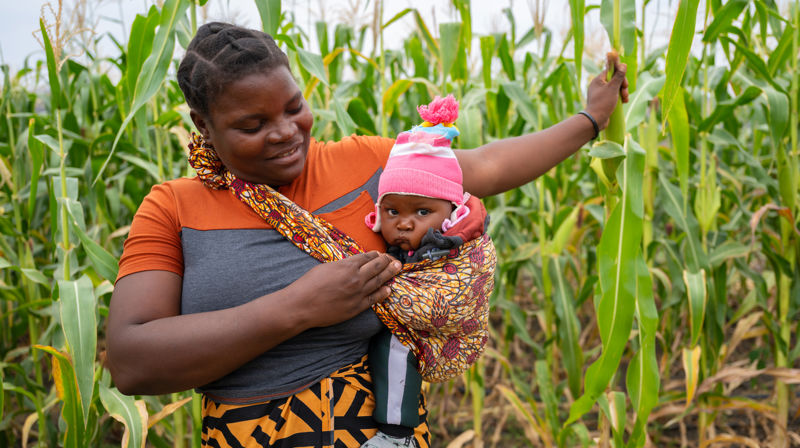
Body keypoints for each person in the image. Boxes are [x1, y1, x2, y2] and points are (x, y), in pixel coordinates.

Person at [105, 21, 628, 448]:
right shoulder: (172, 207)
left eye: (293, 107)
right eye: (252, 124)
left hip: (383, 431)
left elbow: (487, 166)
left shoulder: (369, 165)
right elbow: (131, 361)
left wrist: (590, 117)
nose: (286, 131)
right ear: (203, 125)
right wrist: (299, 307)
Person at [362, 94, 496, 448]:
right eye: (392, 212)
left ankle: (396, 434)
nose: (404, 224)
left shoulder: (451, 245)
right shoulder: (409, 241)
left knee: (394, 346)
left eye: (422, 213)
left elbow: (448, 294)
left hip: (442, 338)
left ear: (451, 211)